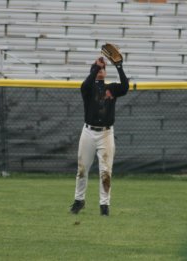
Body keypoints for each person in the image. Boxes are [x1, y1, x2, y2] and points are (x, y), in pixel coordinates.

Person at [70, 56, 129, 216]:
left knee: (106, 171)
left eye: (103, 69)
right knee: (82, 169)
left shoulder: (112, 88)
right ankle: (79, 201)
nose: (101, 71)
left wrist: (119, 66)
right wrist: (96, 67)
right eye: (98, 69)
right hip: (88, 132)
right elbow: (85, 85)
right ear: (94, 71)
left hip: (106, 133)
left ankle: (104, 205)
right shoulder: (88, 89)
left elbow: (125, 87)